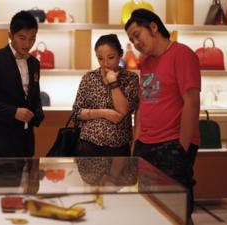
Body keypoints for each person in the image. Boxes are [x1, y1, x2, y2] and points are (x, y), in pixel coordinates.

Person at [125, 9, 201, 224]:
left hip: (172, 145)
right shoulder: (146, 62)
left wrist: (182, 149)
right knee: (151, 210)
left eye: (137, 34)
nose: (135, 42)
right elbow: (144, 104)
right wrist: (136, 142)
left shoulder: (182, 54)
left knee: (177, 211)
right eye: (131, 39)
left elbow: (192, 102)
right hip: (145, 145)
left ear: (153, 27)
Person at [0, 11, 44, 157]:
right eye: (22, 38)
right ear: (10, 35)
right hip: (0, 141)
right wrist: (14, 112)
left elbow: (34, 95)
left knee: (29, 180)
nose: (27, 44)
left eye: (32, 39)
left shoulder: (34, 63)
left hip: (26, 143)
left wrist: (38, 113)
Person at [72, 34, 139, 156]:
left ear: (120, 54)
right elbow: (76, 112)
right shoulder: (89, 77)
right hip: (88, 144)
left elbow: (123, 111)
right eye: (100, 58)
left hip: (119, 146)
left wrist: (113, 82)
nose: (105, 63)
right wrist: (104, 113)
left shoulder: (130, 78)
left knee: (119, 176)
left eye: (111, 57)